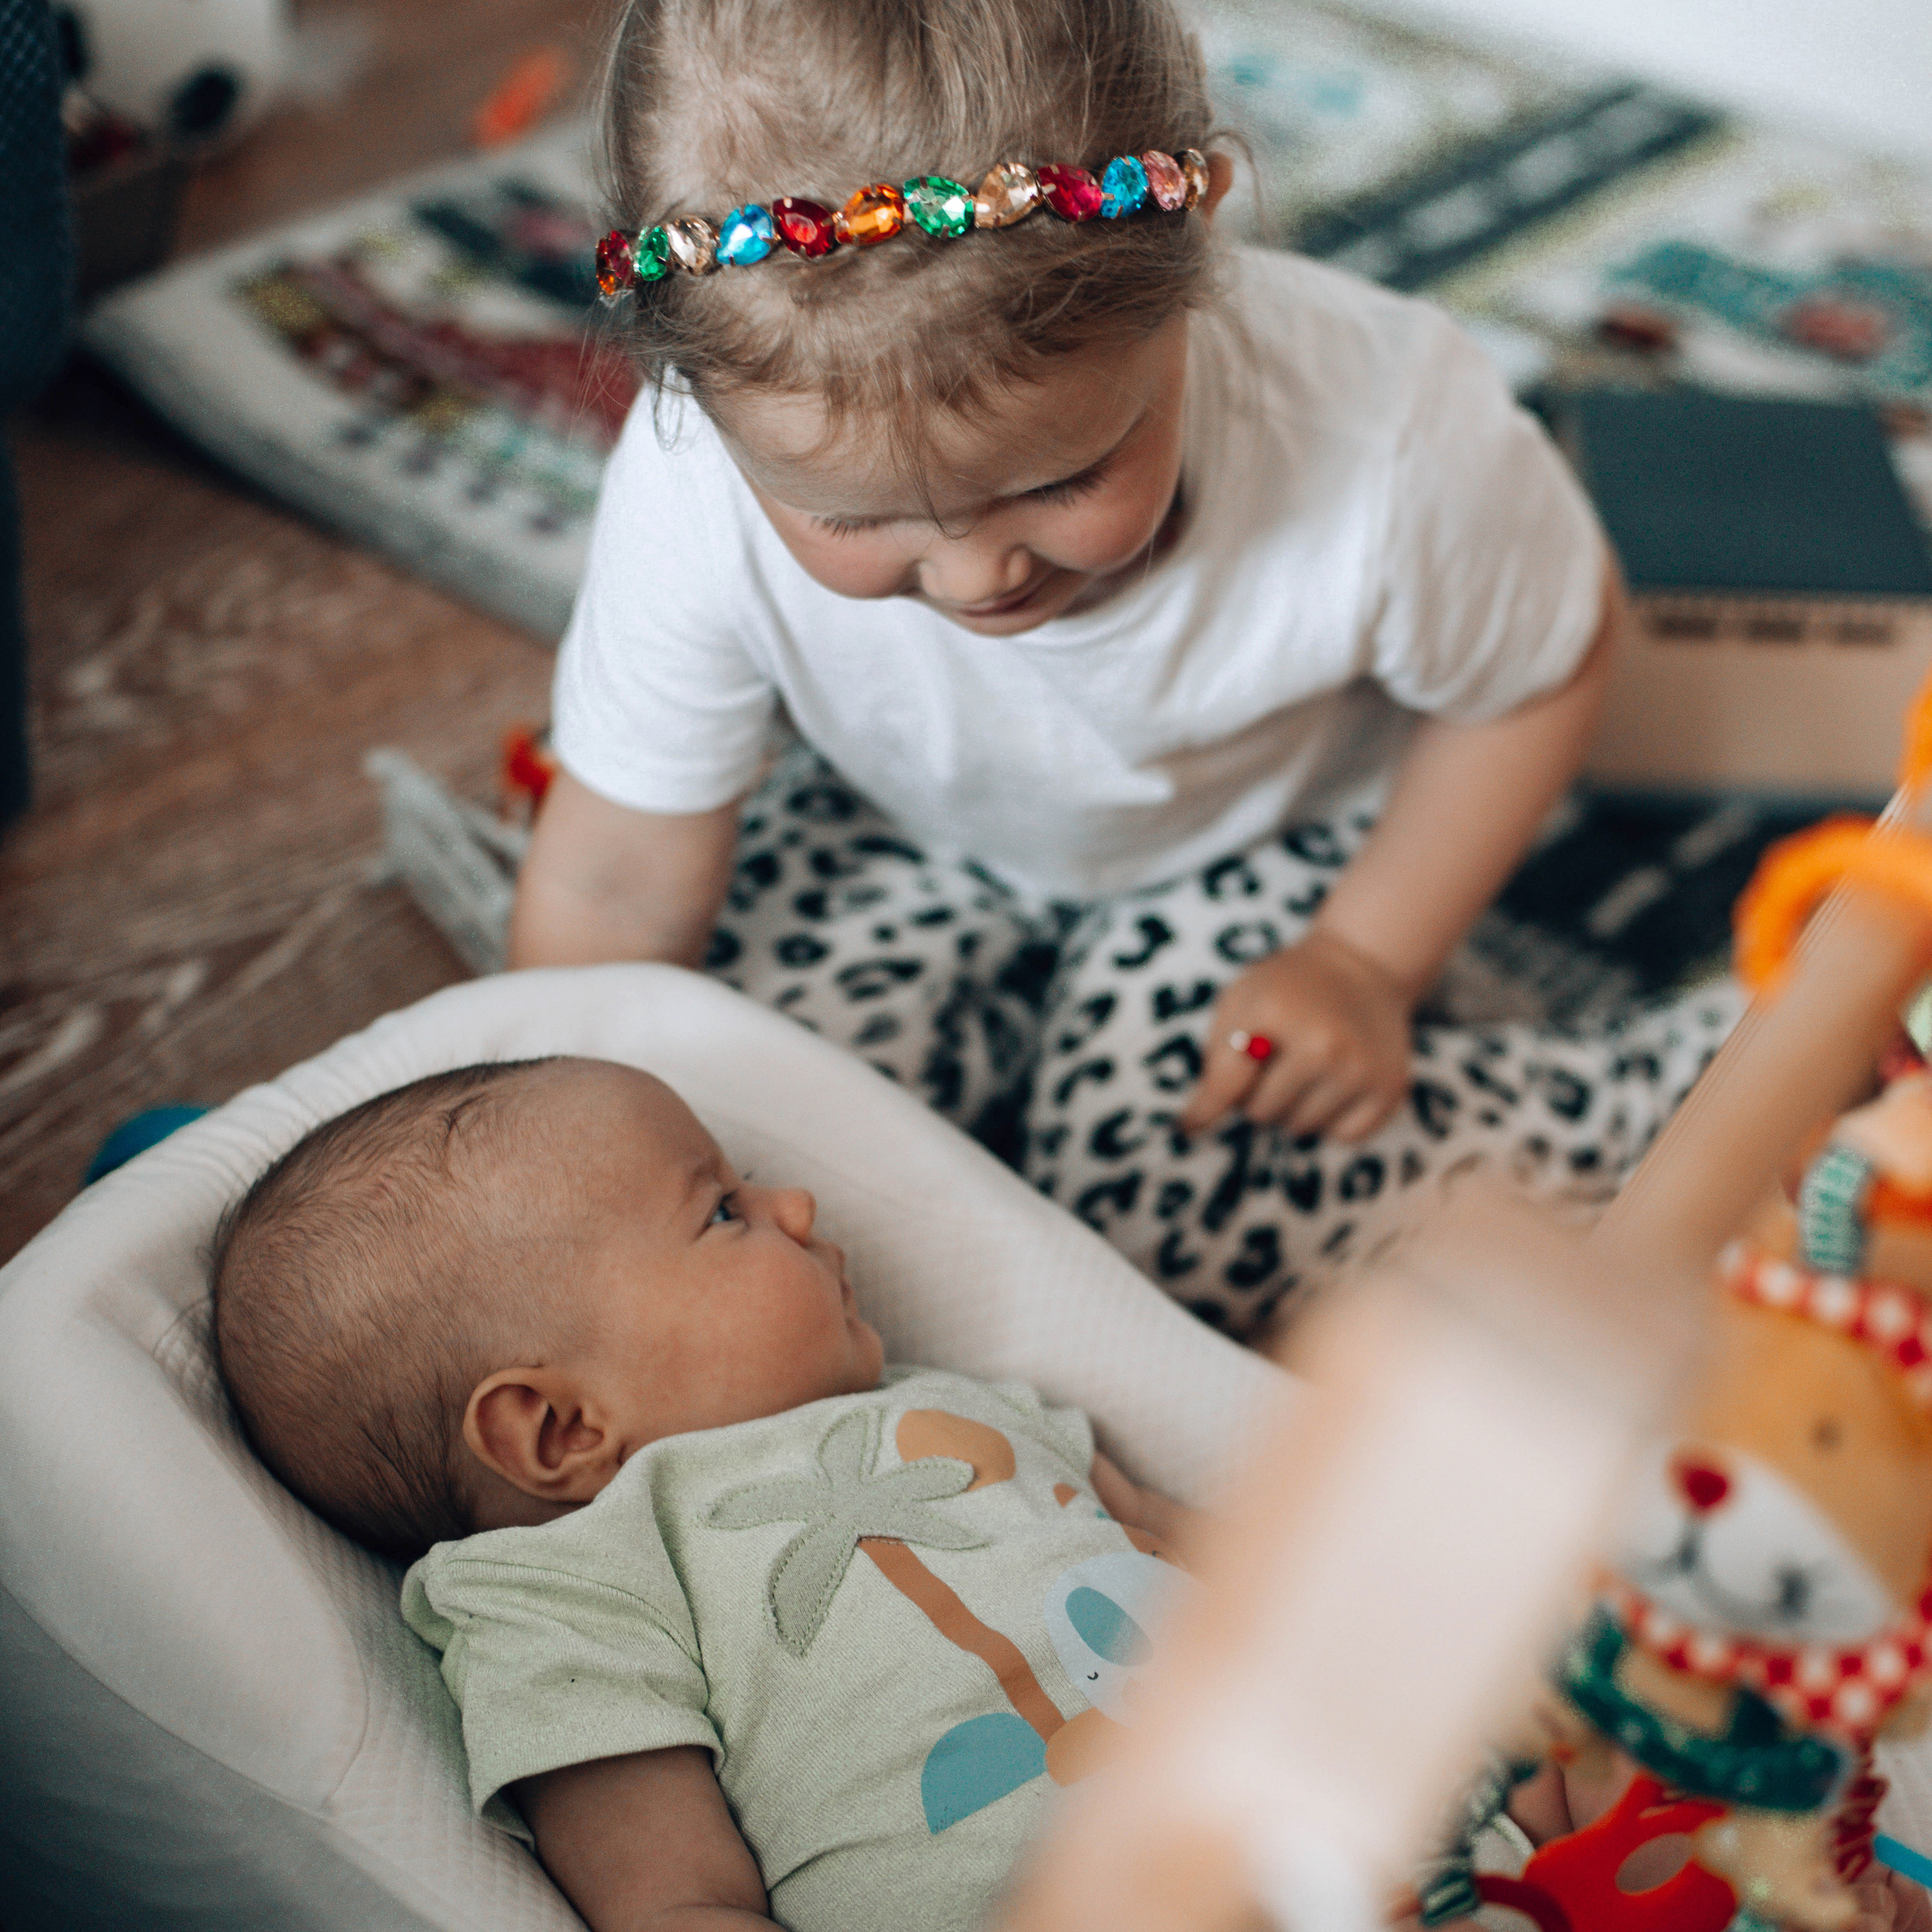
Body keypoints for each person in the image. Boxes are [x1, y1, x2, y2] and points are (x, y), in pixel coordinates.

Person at [508, 0, 1740, 1338]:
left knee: (1169, 1222)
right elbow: (617, 880)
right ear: (695, 394)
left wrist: (1366, 963)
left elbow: (1542, 668)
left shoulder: (1388, 440)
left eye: (1065, 477)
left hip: (1268, 843)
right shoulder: (691, 486)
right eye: (860, 520)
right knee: (746, 1129)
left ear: (1191, 265)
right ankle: (1015, 1045)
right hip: (913, 824)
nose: (983, 579)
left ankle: (1682, 1084)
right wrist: (558, 1178)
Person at [211, 1055, 1196, 1932]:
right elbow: (673, 1902)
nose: (798, 1208)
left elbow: (1191, 1536)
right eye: (725, 1211)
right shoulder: (565, 1583)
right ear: (562, 1430)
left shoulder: (954, 1401)